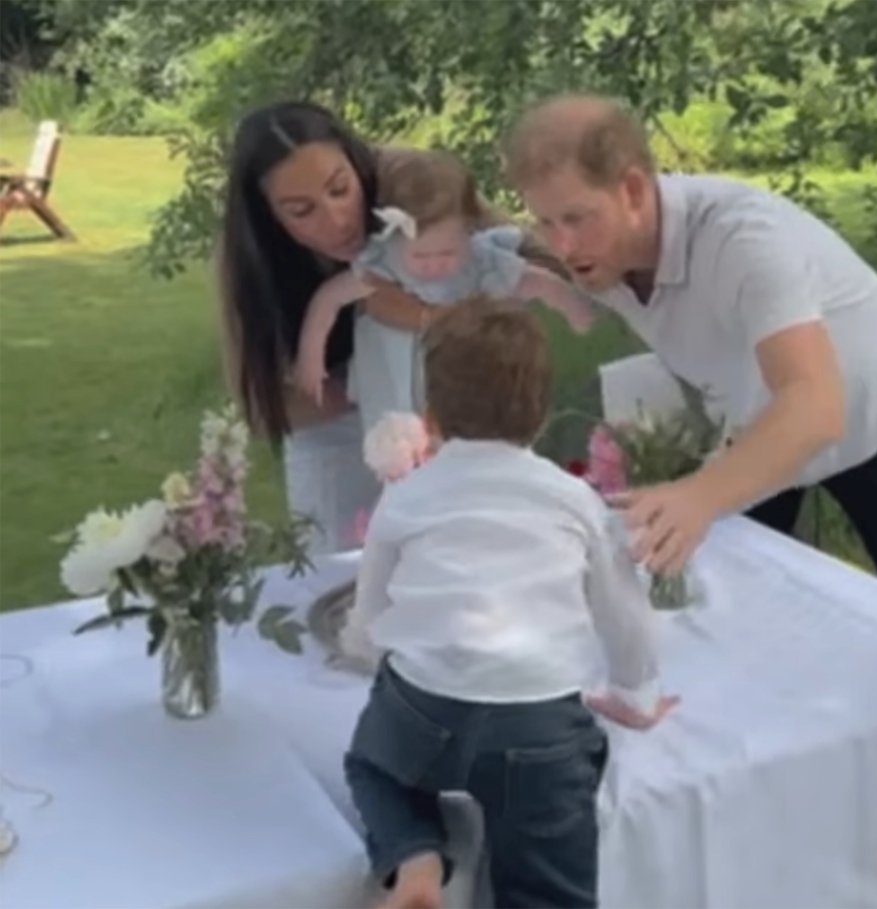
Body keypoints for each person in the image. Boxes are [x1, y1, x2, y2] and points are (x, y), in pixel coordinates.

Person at [502, 93, 877, 620]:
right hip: (753, 418)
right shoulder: (599, 249)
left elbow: (817, 406)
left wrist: (701, 495)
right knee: (746, 588)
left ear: (634, 188)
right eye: (547, 222)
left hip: (873, 407)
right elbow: (482, 237)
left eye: (576, 218)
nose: (563, 246)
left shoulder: (743, 239)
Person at [340, 299, 676, 909]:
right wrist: (635, 694)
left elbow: (370, 618)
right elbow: (625, 617)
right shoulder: (574, 500)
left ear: (432, 414)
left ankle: (414, 856)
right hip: (539, 725)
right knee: (551, 885)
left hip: (425, 708)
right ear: (541, 414)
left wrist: (367, 656)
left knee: (373, 766)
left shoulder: (408, 495)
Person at [215, 101, 567, 554]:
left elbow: (540, 261)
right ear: (269, 218)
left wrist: (432, 322)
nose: (336, 219)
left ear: (356, 164)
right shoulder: (248, 259)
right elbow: (262, 408)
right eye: (302, 211)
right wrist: (372, 394)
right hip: (334, 426)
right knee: (347, 576)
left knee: (485, 552)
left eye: (340, 189)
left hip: (455, 397)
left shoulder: (416, 184)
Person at [293, 149, 594, 435]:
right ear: (395, 237)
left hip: (459, 381)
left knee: (468, 430)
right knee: (396, 447)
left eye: (447, 253)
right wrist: (311, 355)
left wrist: (573, 306)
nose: (434, 266)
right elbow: (329, 298)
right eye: (421, 257)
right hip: (393, 375)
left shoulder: (478, 261)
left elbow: (534, 280)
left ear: (469, 232)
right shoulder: (384, 261)